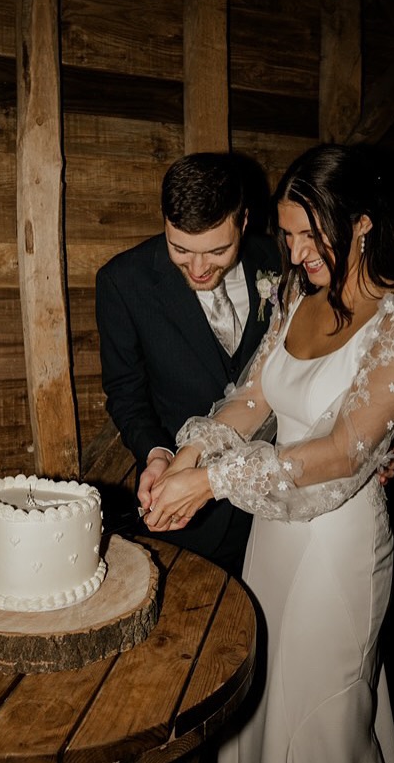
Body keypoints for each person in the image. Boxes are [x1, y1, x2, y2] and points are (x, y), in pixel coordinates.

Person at [143, 143, 394, 762]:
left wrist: (211, 483)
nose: (295, 254)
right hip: (272, 535)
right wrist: (185, 460)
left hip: (339, 543)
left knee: (320, 714)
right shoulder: (297, 299)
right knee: (261, 700)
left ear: (363, 222)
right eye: (287, 237)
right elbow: (251, 401)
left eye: (311, 236)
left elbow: (343, 452)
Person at [95, 152, 281, 574]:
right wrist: (157, 453)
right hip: (185, 514)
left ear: (244, 221)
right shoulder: (122, 281)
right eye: (180, 249)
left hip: (275, 504)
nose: (198, 268)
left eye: (217, 251)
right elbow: (126, 393)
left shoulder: (279, 261)